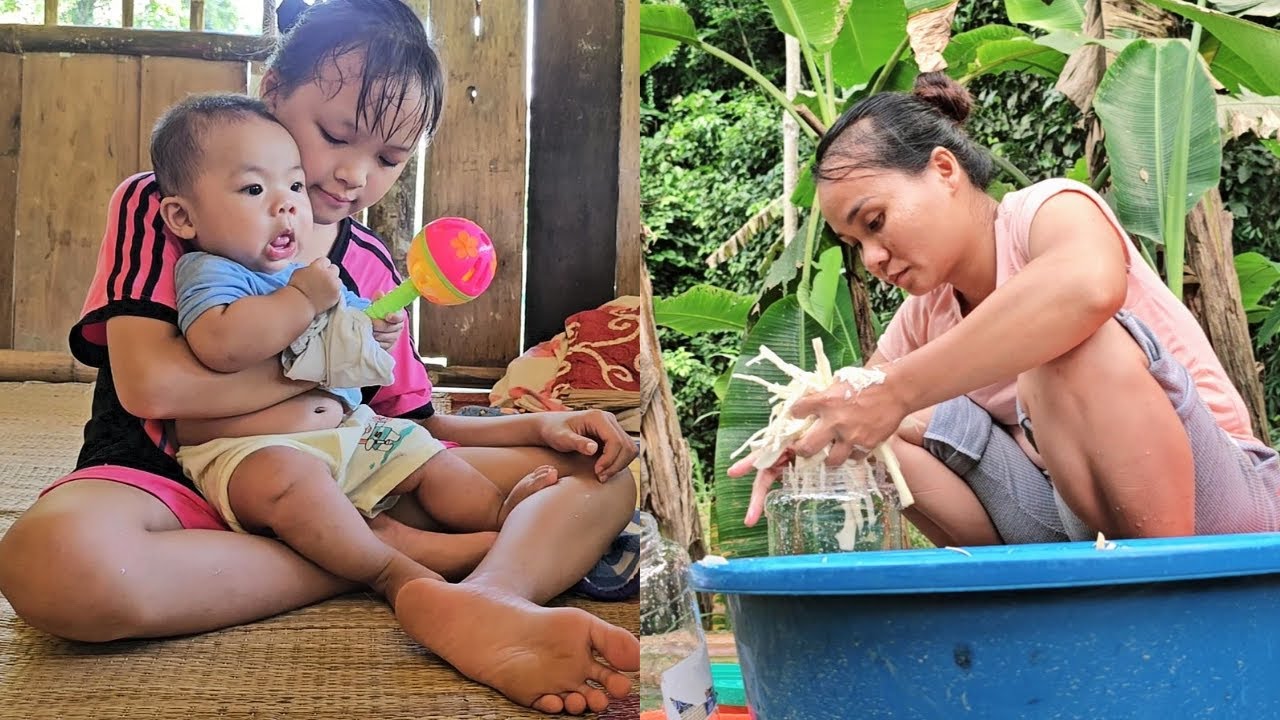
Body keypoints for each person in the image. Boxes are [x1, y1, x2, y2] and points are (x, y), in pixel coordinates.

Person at [0, 1, 638, 715]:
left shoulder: (365, 261)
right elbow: (154, 388)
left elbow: (420, 422)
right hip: (168, 480)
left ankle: (489, 595)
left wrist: (538, 427)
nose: (353, 176)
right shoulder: (173, 206)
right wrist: (327, 364)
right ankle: (390, 561)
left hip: (350, 469)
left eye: (390, 159)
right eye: (336, 135)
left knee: (603, 470)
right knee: (51, 564)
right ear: (273, 91)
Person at [732, 72, 1280, 548]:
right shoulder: (925, 313)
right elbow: (860, 405)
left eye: (874, 222)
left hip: (1218, 502)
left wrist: (896, 391)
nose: (872, 258)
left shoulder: (1048, 210)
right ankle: (1011, 586)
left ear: (944, 170)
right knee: (870, 427)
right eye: (855, 245)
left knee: (1068, 346)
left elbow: (1087, 288)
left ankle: (1169, 600)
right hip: (1073, 523)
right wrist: (811, 436)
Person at [153, 93, 563, 590]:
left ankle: (500, 518)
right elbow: (220, 344)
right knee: (295, 488)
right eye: (255, 188)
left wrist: (376, 334)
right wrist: (302, 301)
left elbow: (352, 335)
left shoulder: (309, 273)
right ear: (183, 218)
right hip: (250, 452)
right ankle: (399, 569)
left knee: (422, 452)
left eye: (295, 185)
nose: (285, 203)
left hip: (349, 432)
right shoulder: (209, 270)